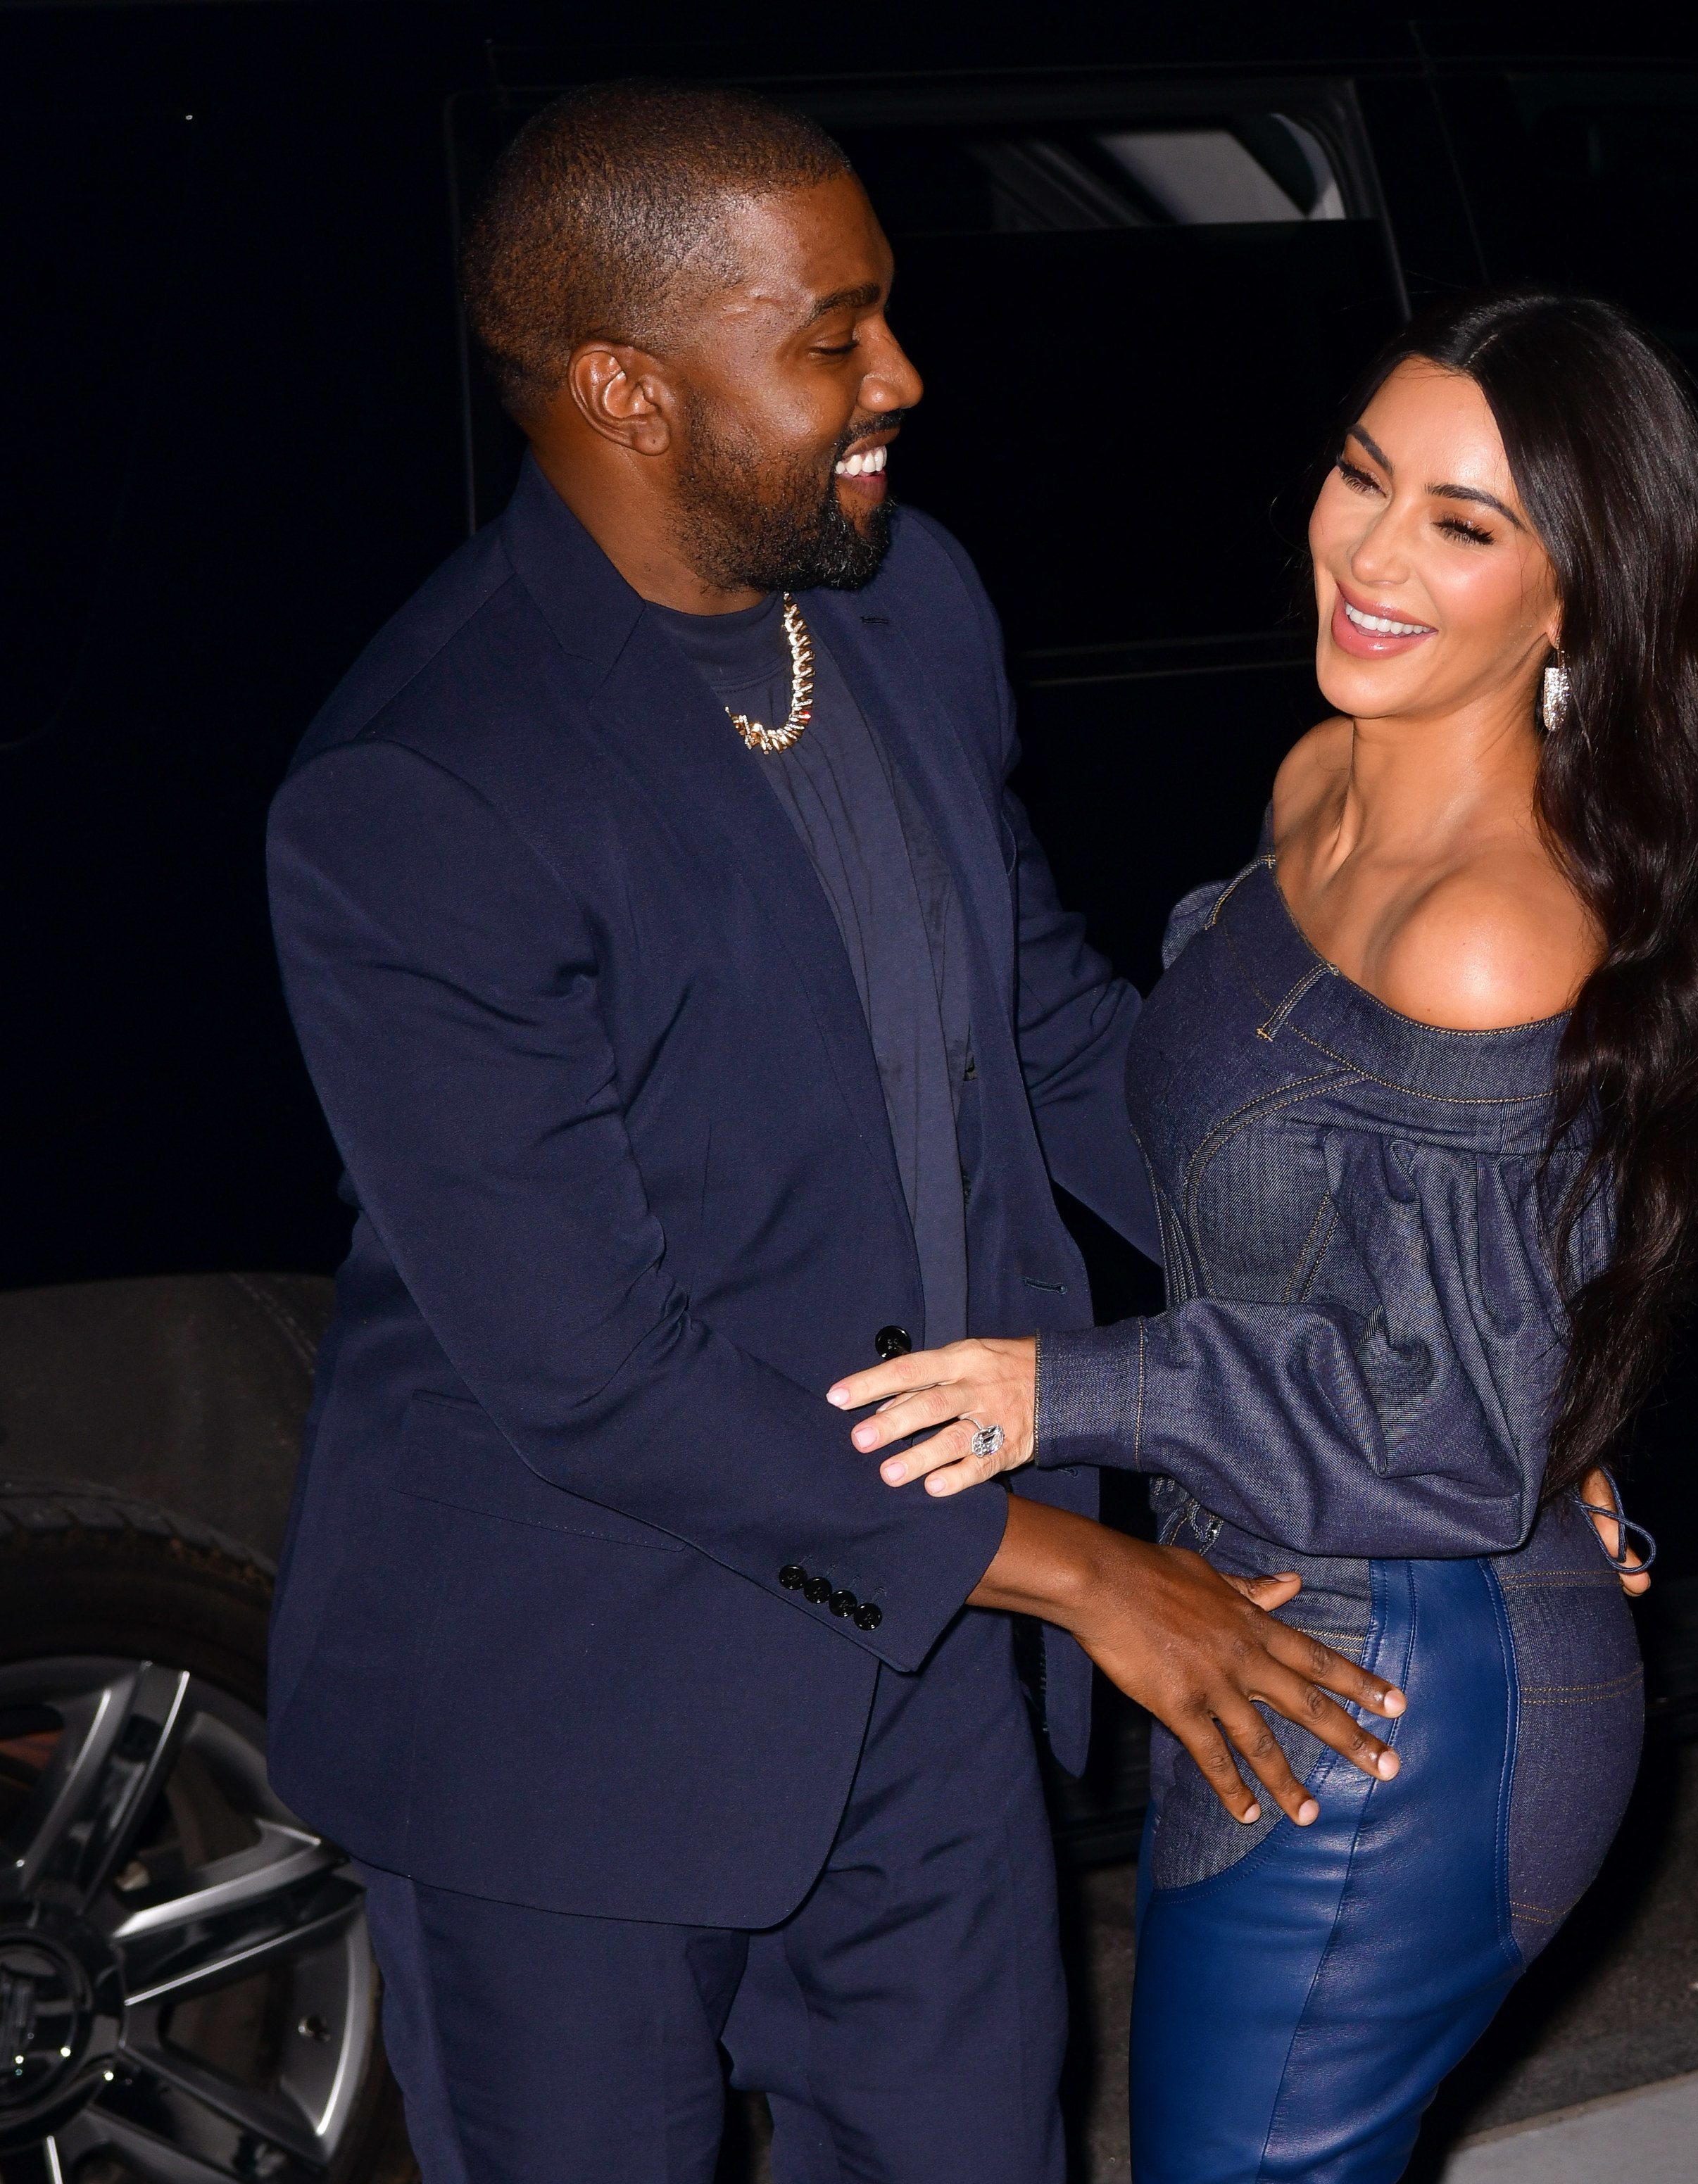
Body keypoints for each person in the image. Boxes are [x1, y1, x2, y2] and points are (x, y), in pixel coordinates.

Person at [263, 81, 1403, 2184]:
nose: (902, 377)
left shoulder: (902, 604)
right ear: (627, 386)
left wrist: (1395, 1339)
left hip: (925, 1683)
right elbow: (587, 1375)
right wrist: (1077, 1577)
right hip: (577, 1706)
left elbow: (1048, 1029)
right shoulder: (429, 790)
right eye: (832, 337)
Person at [835, 287, 1698, 2180]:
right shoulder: (1320, 784)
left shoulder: (1492, 930)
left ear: (1578, 601)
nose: (1371, 550)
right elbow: (1209, 1158)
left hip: (1401, 1694)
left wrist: (1069, 1387)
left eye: (1465, 524)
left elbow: (1445, 1431)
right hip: (1286, 1625)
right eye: (1366, 478)